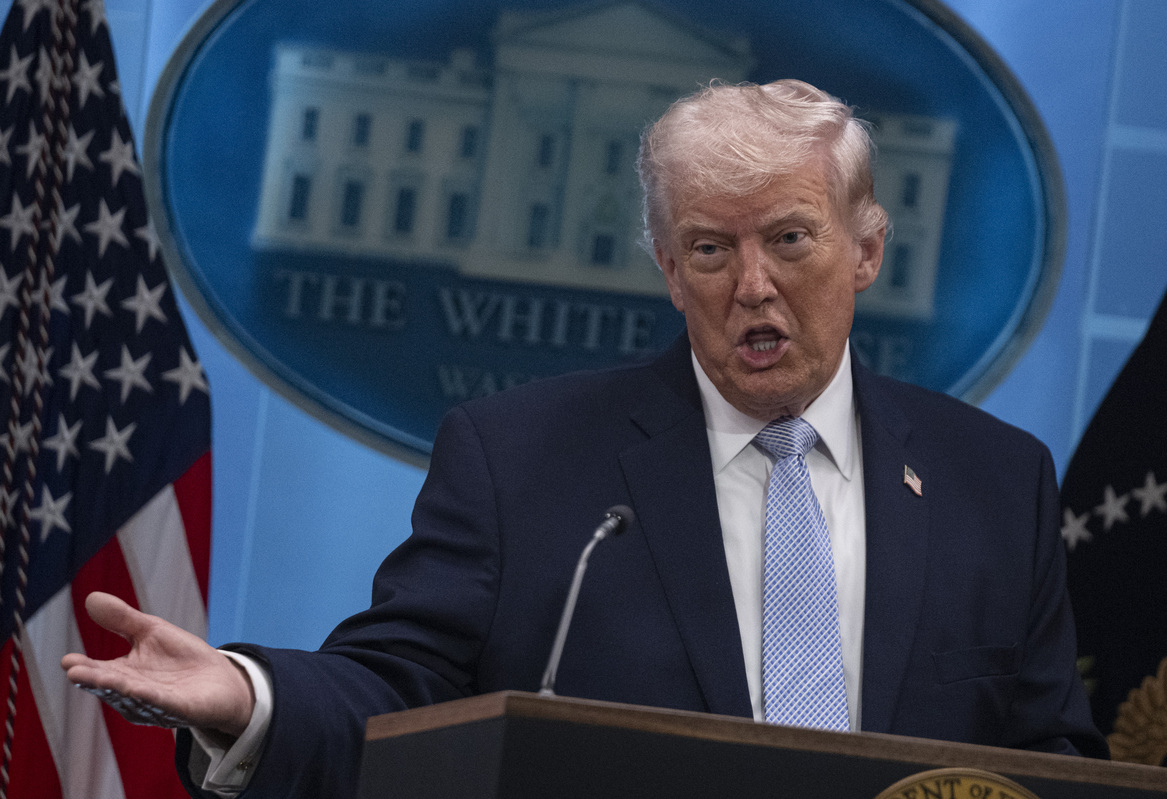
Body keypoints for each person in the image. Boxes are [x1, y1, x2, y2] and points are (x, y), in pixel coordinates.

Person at [63, 79, 1107, 798]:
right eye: (709, 247)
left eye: (789, 238)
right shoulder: (524, 462)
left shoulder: (995, 483)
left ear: (866, 249)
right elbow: (398, 690)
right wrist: (252, 697)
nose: (752, 284)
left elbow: (1052, 760)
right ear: (665, 264)